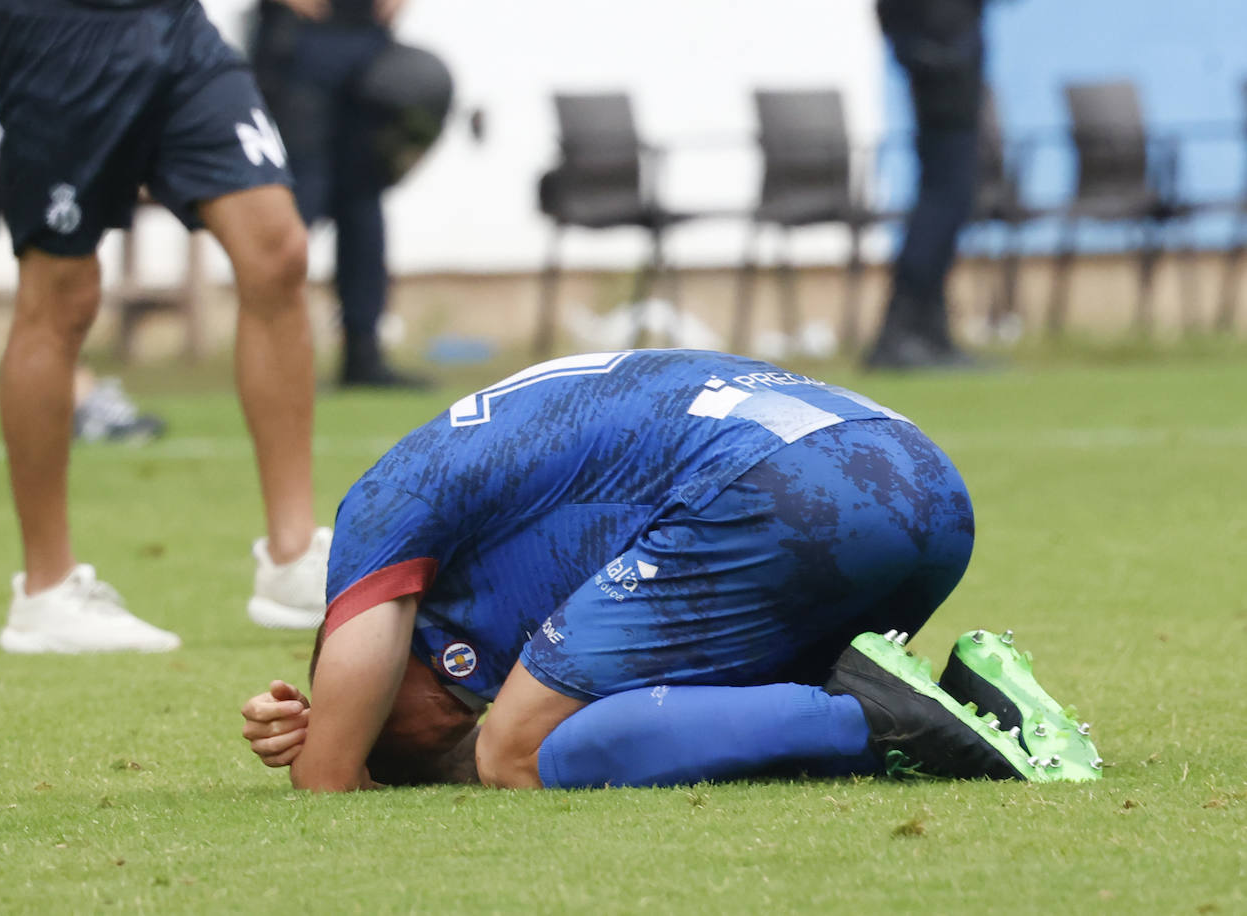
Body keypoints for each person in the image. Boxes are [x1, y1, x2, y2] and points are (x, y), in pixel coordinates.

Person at [240, 349, 1101, 789]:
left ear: (424, 649)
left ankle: (869, 725)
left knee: (518, 753)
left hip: (783, 490)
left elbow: (327, 783)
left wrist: (329, 741)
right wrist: (338, 728)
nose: (470, 710)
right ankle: (990, 697)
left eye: (455, 706)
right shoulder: (505, 548)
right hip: (923, 480)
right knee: (653, 723)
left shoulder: (381, 506)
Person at [0, 0, 330, 653]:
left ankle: (290, 559)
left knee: (277, 250)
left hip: (177, 26)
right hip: (61, 32)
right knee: (61, 293)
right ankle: (46, 591)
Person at [252, 0, 428, 389]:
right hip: (299, 43)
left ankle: (363, 354)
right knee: (299, 201)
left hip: (366, 39)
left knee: (364, 204)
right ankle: (270, 350)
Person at [864, 0, 986, 370]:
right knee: (945, 198)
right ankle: (904, 333)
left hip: (936, 48)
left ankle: (927, 331)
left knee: (949, 198)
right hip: (943, 53)